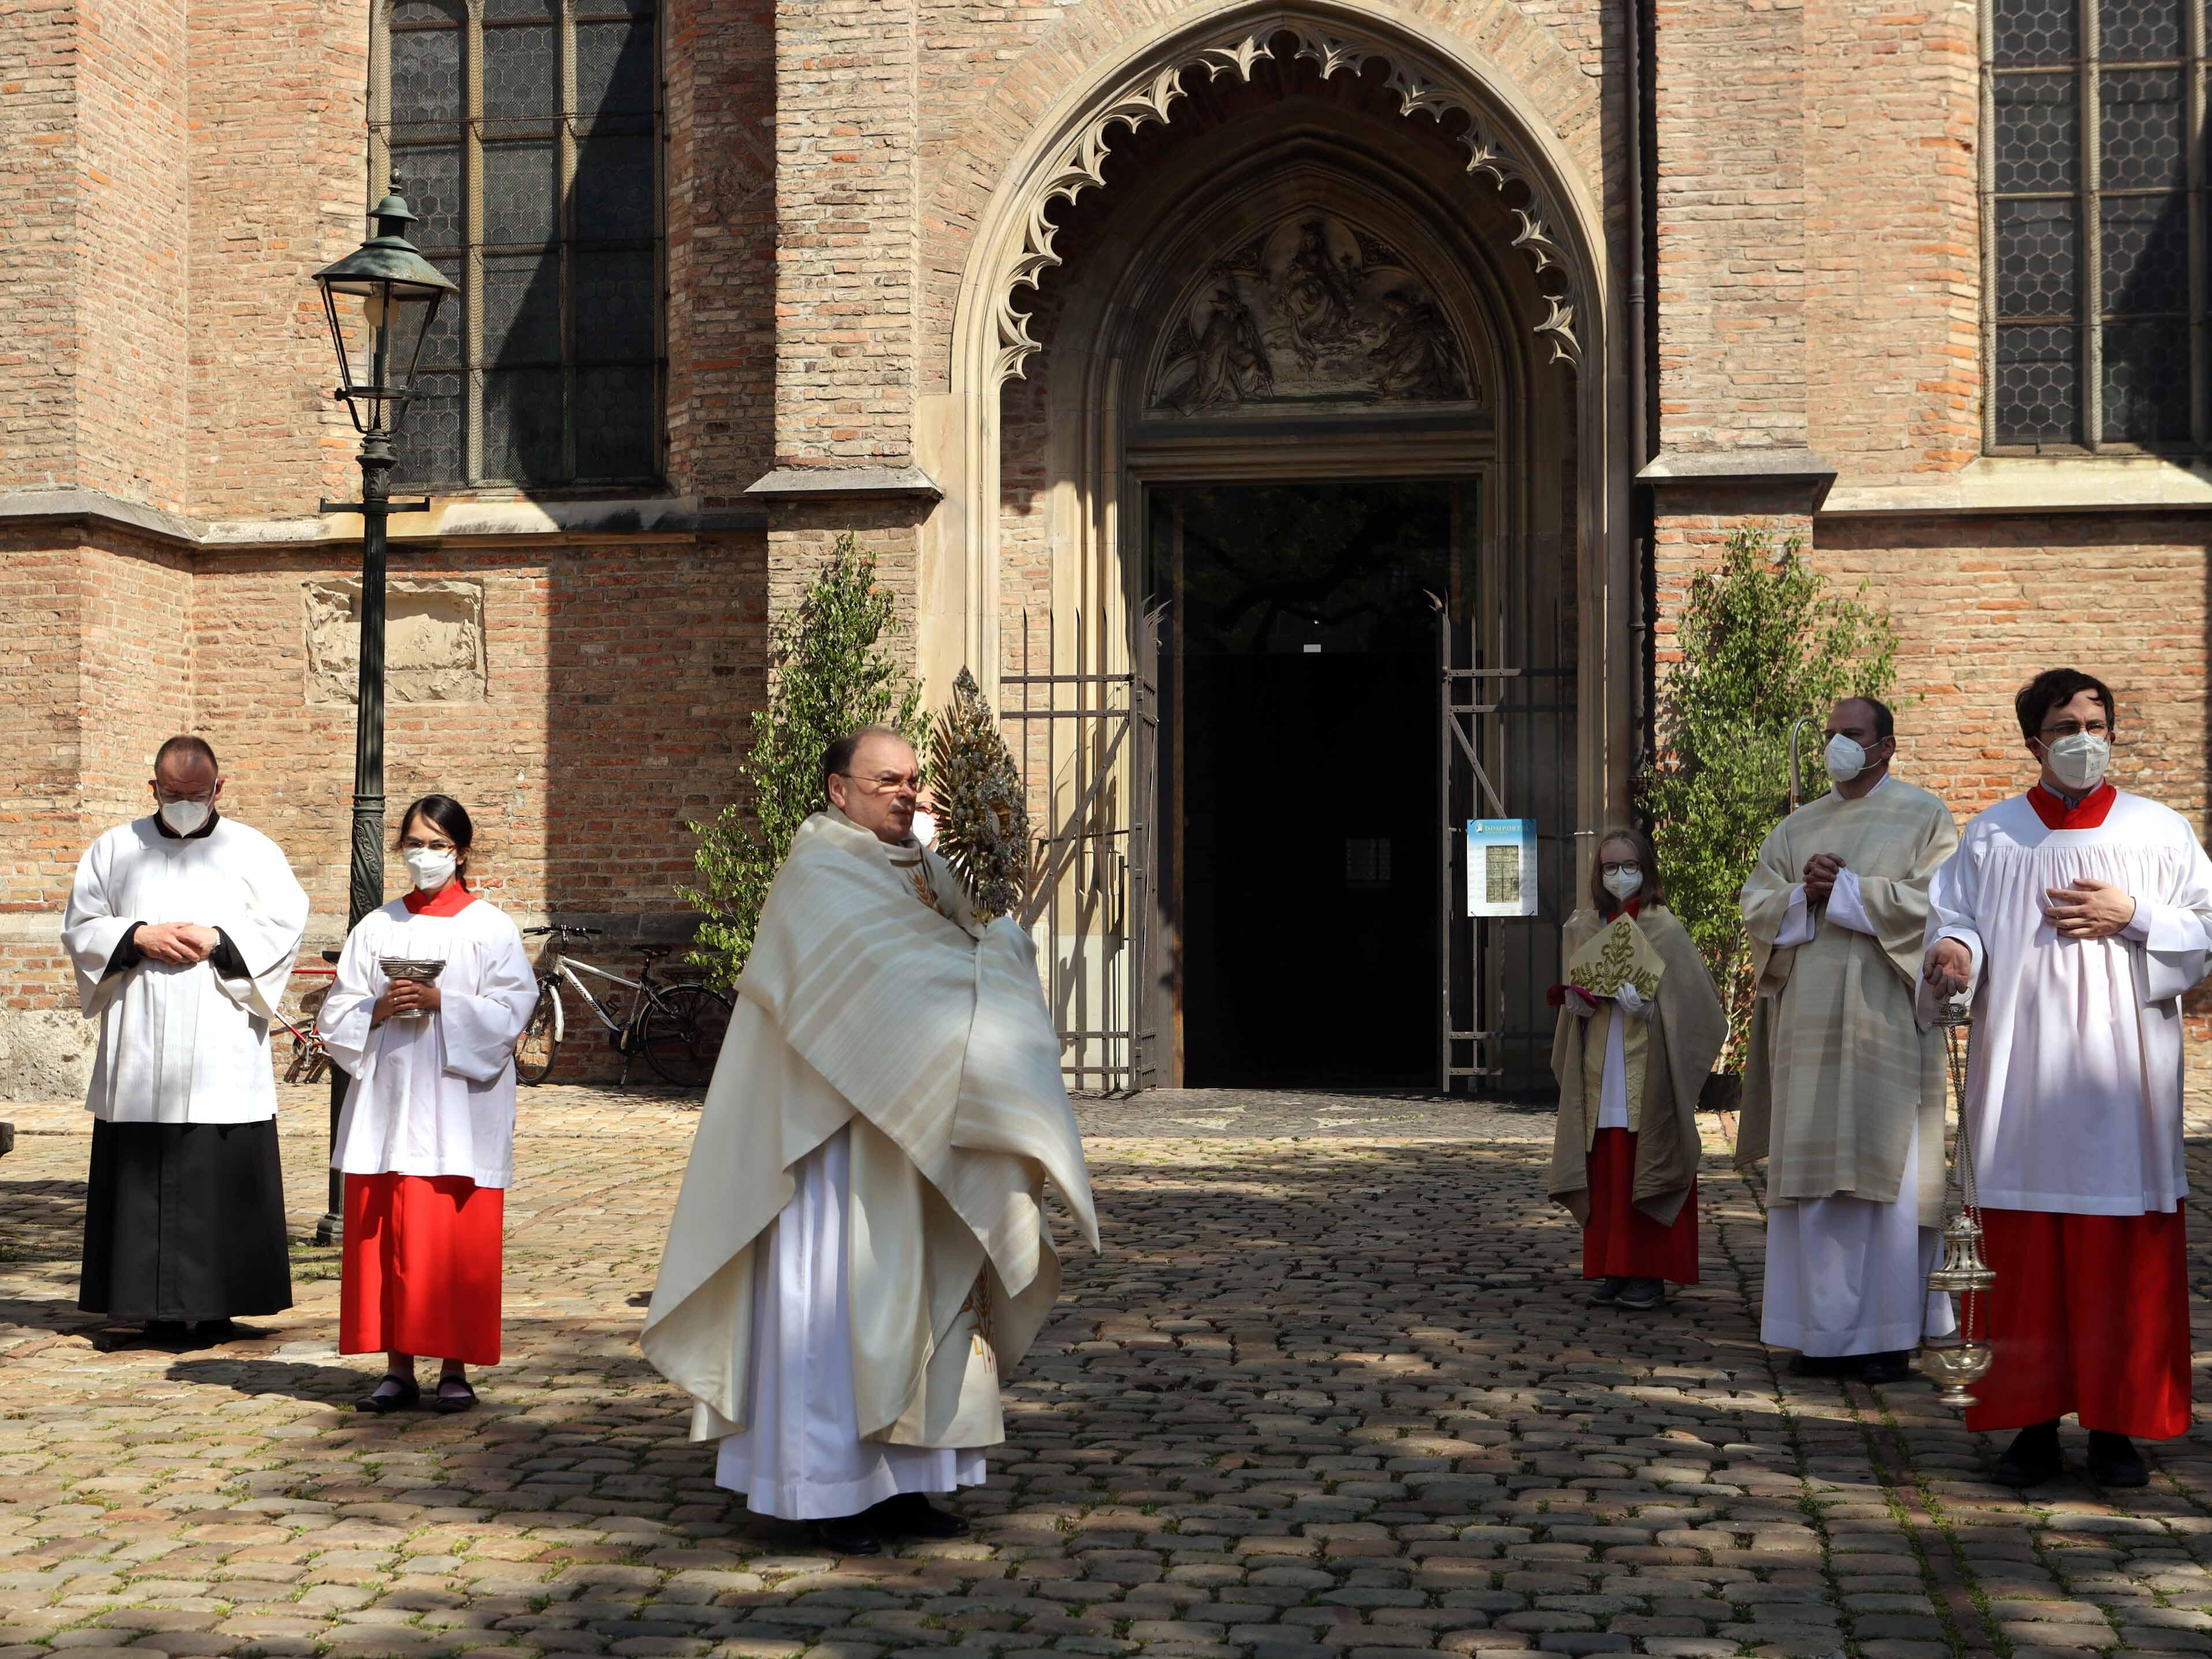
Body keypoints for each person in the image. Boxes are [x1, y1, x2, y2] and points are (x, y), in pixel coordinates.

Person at [642, 724, 1098, 1556]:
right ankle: (822, 1487)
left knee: (931, 1302)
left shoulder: (927, 869)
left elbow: (974, 948)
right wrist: (976, 961)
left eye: (914, 779)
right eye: (885, 779)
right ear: (838, 789)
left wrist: (989, 923)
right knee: (834, 1310)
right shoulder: (819, 870)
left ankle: (912, 1484)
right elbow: (895, 980)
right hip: (834, 1143)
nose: (906, 793)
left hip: (919, 1136)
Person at [1922, 669, 2212, 1488]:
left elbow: (2208, 924)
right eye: (2064, 726)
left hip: (2126, 1085)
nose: (2085, 738)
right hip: (2022, 1080)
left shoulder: (2158, 831)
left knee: (2121, 1259)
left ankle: (2117, 1428)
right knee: (2027, 1260)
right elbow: (1957, 923)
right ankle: (2033, 1425)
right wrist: (1953, 954)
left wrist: (2139, 916)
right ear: (2033, 741)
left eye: (2097, 722)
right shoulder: (1994, 836)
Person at [1737, 697, 1958, 1385]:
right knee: (1816, 1187)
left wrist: (1851, 891)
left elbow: (1943, 905)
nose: (1838, 744)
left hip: (1883, 1025)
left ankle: (1889, 1337)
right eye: (1831, 734)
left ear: (1886, 746)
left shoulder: (1925, 815)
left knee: (1884, 1186)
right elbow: (1756, 905)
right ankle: (1820, 1336)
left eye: (1852, 735)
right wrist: (1801, 896)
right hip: (1808, 1030)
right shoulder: (1797, 826)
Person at [61, 736, 311, 1339]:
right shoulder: (115, 849)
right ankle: (141, 1301)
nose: (184, 804)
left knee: (214, 1167)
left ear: (219, 789)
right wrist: (136, 937)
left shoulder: (254, 851)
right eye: (173, 795)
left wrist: (221, 940)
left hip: (219, 1039)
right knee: (140, 1169)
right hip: (140, 1038)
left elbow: (284, 923)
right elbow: (81, 925)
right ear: (153, 789)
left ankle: (220, 1300)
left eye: (196, 795)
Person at [318, 795, 538, 1413]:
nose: (424, 855)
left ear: (461, 852)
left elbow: (512, 1011)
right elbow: (337, 1014)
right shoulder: (377, 927)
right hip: (390, 1101)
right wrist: (379, 1008)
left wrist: (445, 1003)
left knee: (453, 1240)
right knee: (391, 1235)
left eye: (437, 844)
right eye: (414, 842)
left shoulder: (490, 928)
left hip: (458, 1107)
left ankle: (455, 1367)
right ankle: (397, 1368)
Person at [1547, 828, 1727, 1311]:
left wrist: (1655, 1011)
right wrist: (1576, 1011)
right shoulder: (1584, 926)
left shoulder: (1663, 927)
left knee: (1645, 1161)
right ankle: (1612, 1265)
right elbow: (1576, 992)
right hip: (1598, 1063)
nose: (1619, 876)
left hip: (1648, 1067)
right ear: (1598, 873)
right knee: (1606, 1165)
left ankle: (1648, 1272)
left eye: (1629, 866)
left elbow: (1702, 1009)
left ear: (1646, 870)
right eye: (1610, 867)